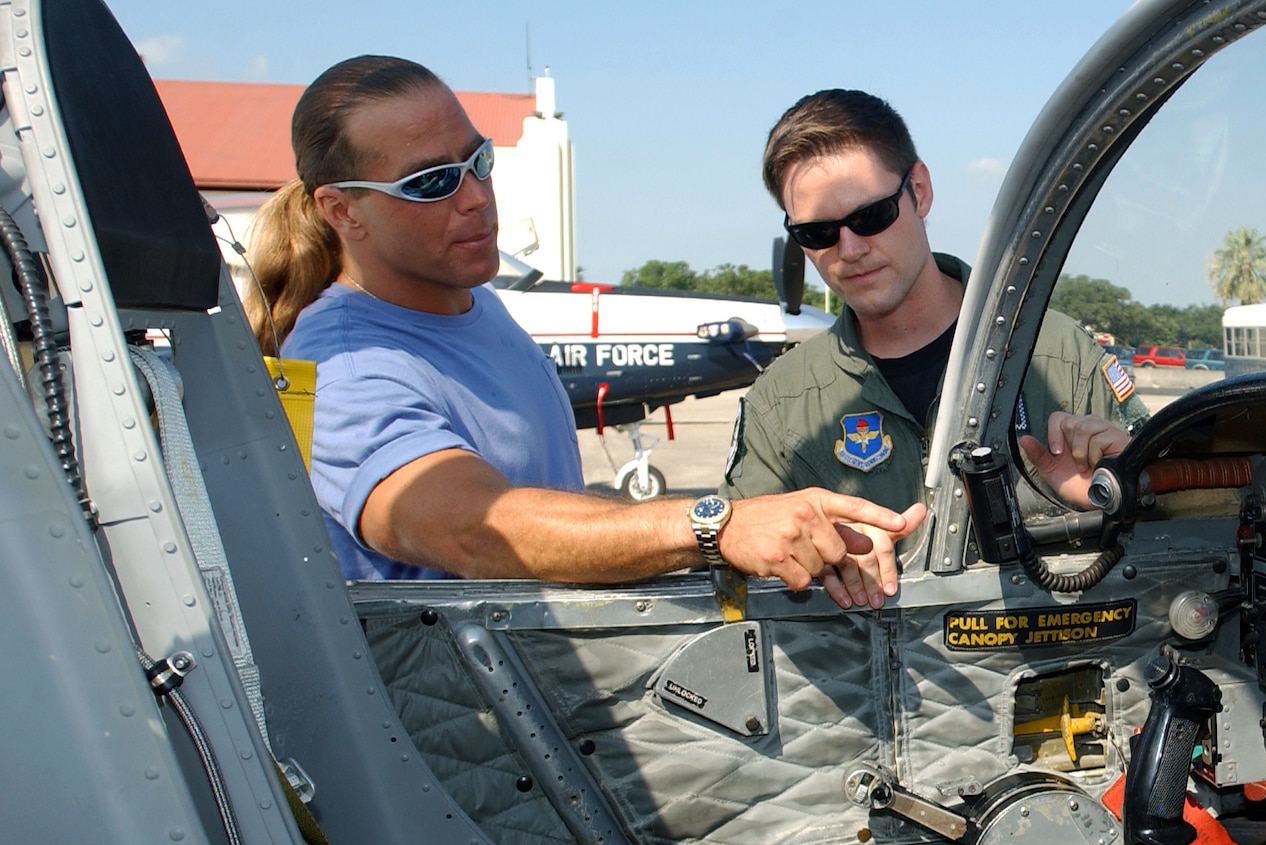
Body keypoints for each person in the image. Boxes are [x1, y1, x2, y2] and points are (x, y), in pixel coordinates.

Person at [248, 56, 919, 606]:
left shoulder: (471, 299)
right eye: (432, 183)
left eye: (477, 161)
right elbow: (474, 531)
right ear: (341, 210)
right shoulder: (345, 365)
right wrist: (717, 523)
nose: (476, 196)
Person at [721, 89, 1142, 518]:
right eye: (818, 233)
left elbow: (1185, 509)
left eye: (870, 217)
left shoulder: (1060, 358)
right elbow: (739, 555)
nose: (848, 250)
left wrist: (1127, 484)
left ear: (919, 192)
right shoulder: (782, 404)